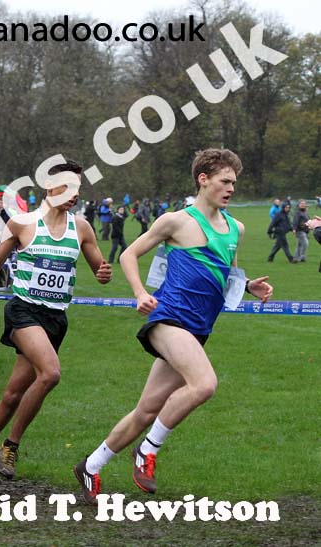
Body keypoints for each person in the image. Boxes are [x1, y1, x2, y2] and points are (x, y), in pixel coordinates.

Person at [73, 149, 273, 503]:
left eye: (234, 183)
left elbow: (227, 273)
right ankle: (147, 450)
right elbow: (128, 254)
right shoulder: (176, 221)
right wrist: (139, 293)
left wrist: (250, 285)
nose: (231, 188)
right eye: (225, 181)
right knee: (205, 384)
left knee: (146, 410)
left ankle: (90, 464)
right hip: (168, 318)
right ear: (204, 179)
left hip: (198, 327)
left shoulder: (235, 228)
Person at [0, 161, 111, 481]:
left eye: (77, 189)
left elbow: (100, 270)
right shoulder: (23, 223)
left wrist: (103, 272)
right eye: (66, 187)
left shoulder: (81, 228)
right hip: (24, 310)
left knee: (13, 396)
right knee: (51, 373)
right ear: (48, 187)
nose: (73, 195)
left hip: (55, 318)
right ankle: (11, 445)